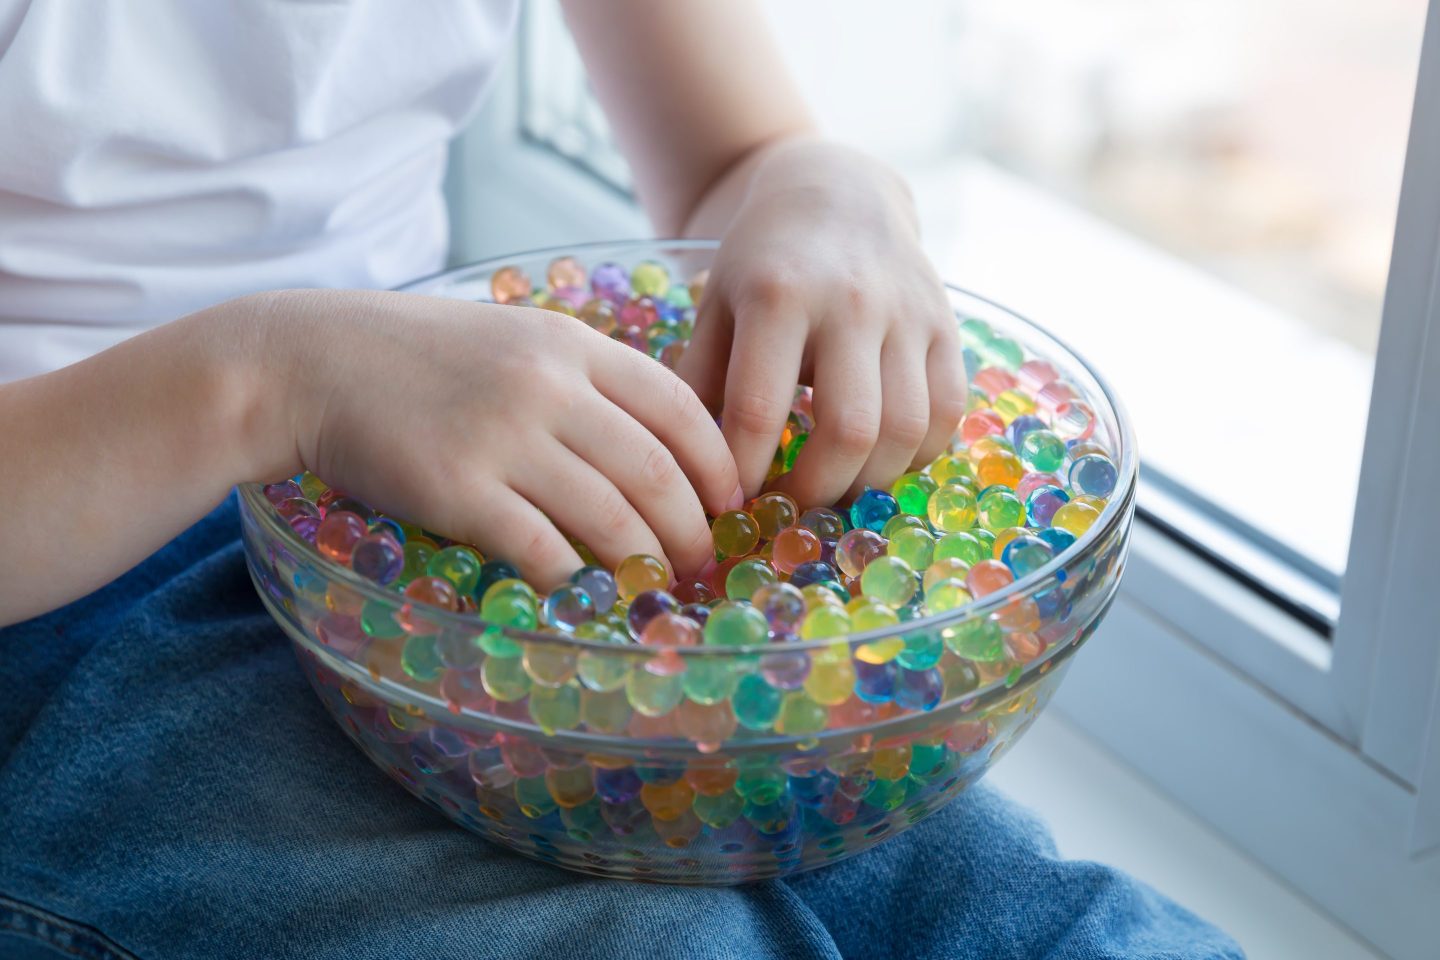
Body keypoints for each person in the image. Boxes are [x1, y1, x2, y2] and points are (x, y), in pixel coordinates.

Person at [0, 1, 1242, 957]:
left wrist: (819, 183)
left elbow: (732, 148)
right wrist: (269, 381)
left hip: (415, 471)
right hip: (55, 581)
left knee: (1008, 912)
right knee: (664, 936)